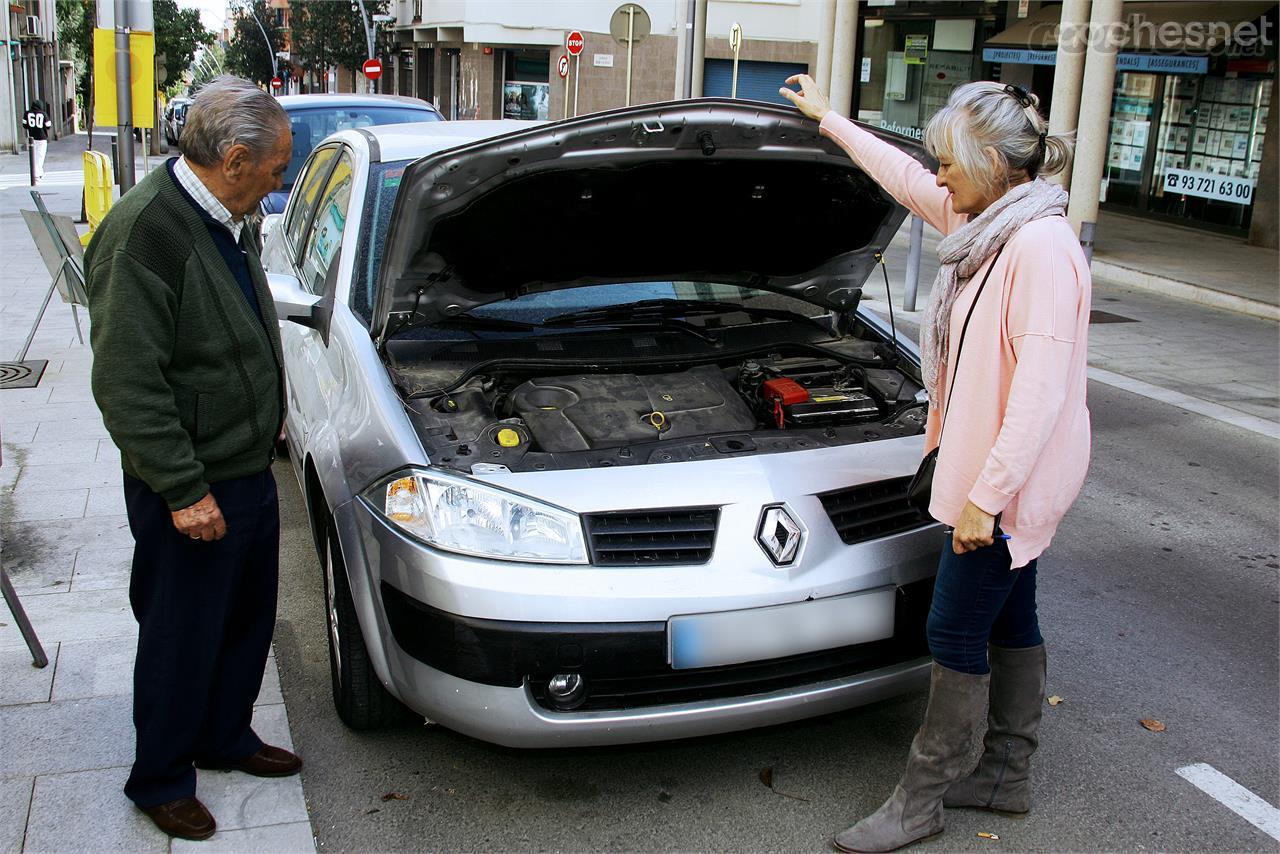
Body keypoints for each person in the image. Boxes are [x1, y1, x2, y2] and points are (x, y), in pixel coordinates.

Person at [780, 76, 1091, 852]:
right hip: (982, 468)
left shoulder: (1041, 249)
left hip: (1005, 482)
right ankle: (1006, 775)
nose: (940, 176)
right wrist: (831, 121)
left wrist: (988, 499)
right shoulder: (982, 219)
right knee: (1012, 616)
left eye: (952, 161)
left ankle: (923, 800)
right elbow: (906, 178)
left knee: (952, 630)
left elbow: (1040, 396)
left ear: (991, 159)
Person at [84, 76, 299, 842]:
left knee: (244, 622)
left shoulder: (226, 214)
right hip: (192, 482)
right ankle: (162, 778)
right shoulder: (145, 232)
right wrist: (181, 488)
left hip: (243, 467)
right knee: (181, 633)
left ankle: (225, 737)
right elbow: (126, 381)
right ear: (235, 160)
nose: (279, 184)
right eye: (275, 170)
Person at [22, 99, 49, 184]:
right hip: (42, 138)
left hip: (32, 138)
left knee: (34, 156)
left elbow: (24, 125)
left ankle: (39, 172)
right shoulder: (43, 114)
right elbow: (48, 125)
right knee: (40, 156)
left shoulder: (27, 113)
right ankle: (37, 174)